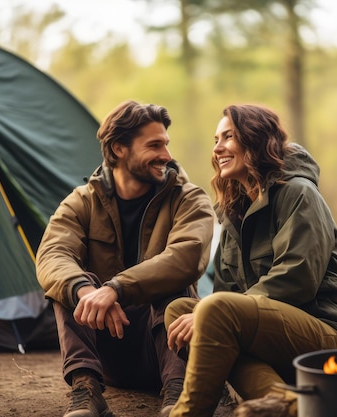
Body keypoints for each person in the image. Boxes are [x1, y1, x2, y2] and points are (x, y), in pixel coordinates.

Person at [164, 104, 337, 417]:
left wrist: (213, 312)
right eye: (215, 139)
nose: (217, 148)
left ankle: (189, 412)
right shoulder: (234, 211)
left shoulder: (298, 193)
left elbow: (297, 278)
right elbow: (225, 291)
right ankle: (290, 404)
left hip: (330, 334)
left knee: (212, 312)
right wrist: (208, 314)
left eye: (228, 137)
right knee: (180, 311)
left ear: (255, 139)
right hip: (274, 336)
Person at [36, 100, 215, 417]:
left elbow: (186, 257)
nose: (167, 156)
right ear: (119, 149)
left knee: (173, 285)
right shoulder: (82, 201)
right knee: (70, 285)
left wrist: (116, 288)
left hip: (165, 347)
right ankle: (85, 391)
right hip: (107, 348)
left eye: (166, 144)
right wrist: (85, 291)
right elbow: (53, 254)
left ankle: (177, 394)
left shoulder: (188, 198)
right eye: (154, 145)